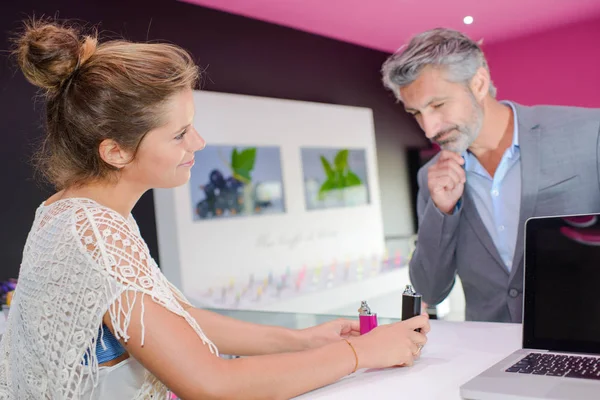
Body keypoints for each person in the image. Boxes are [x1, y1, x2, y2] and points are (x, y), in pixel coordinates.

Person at [0, 19, 430, 400]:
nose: (198, 143)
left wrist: (303, 340)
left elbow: (170, 321)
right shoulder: (93, 231)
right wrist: (360, 353)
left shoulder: (72, 213)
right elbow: (211, 384)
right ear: (115, 151)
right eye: (179, 134)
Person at [381, 28, 600, 323]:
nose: (429, 129)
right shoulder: (430, 179)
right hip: (490, 355)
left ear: (479, 83)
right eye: (416, 113)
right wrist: (442, 211)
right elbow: (429, 291)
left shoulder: (590, 134)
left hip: (584, 343)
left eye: (438, 105)